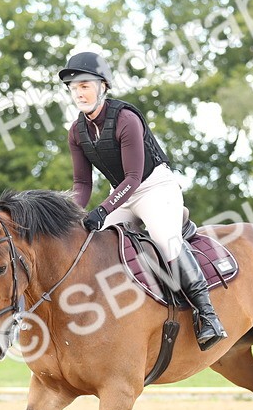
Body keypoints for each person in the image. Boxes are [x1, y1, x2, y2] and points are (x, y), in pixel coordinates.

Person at [59, 50, 227, 350]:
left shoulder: (125, 118)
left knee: (165, 238)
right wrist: (71, 214)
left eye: (84, 85)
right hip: (121, 195)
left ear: (103, 86)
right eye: (73, 88)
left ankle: (208, 314)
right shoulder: (77, 132)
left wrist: (103, 209)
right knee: (91, 241)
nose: (78, 93)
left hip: (154, 187)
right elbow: (82, 184)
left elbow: (134, 177)